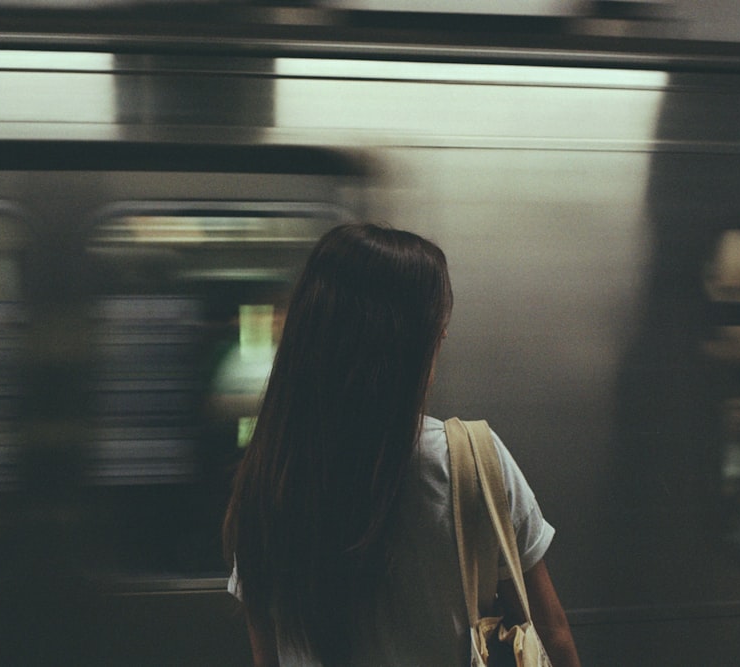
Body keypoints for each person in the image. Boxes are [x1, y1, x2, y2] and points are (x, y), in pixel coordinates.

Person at [223, 223, 580, 666]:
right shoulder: (470, 459)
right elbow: (552, 634)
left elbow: (268, 659)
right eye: (436, 327)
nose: (443, 338)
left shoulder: (272, 478)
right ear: (407, 344)